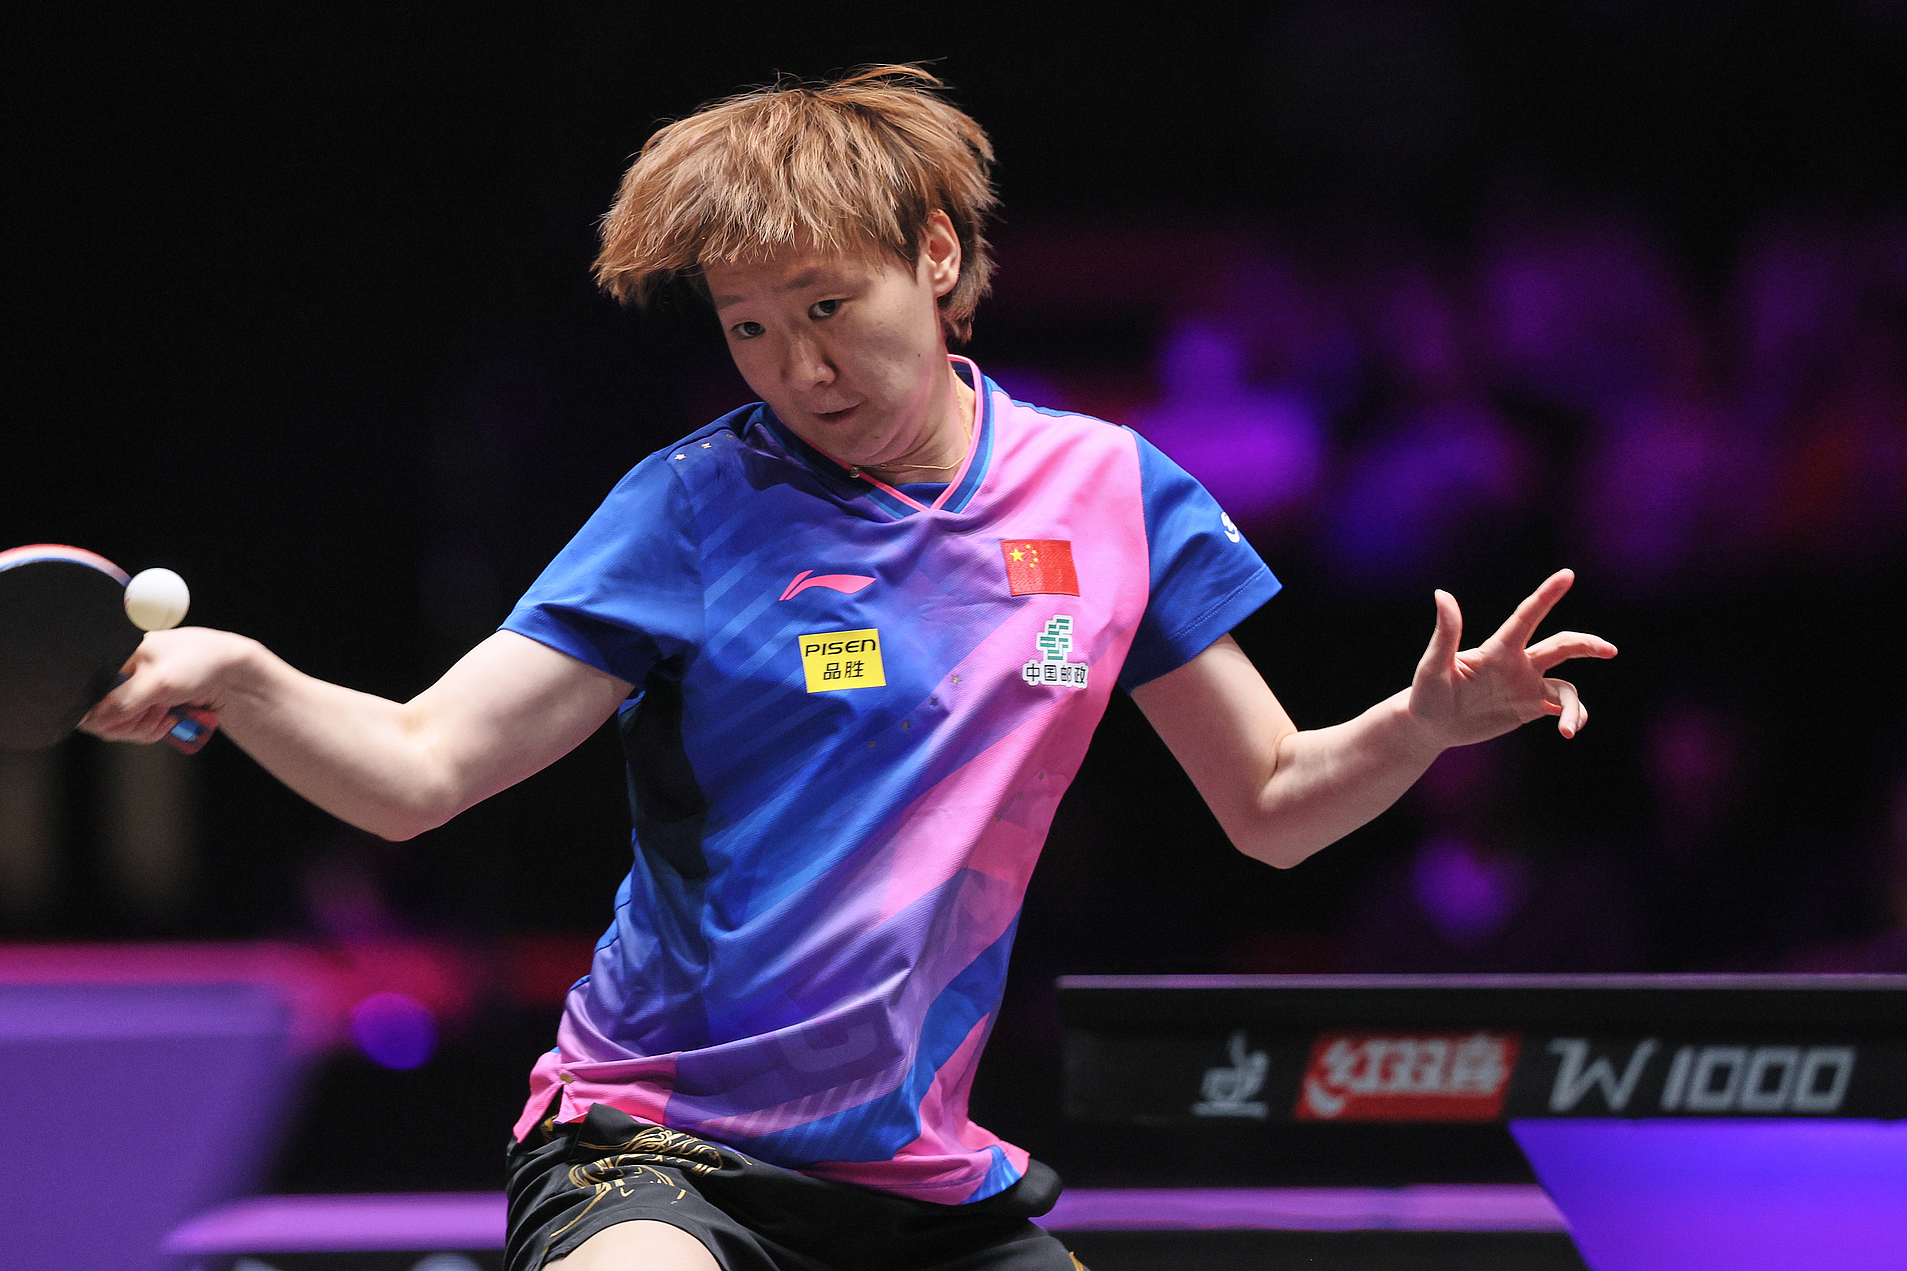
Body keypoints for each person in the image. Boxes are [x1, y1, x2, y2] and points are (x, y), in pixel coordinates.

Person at [84, 65, 1616, 1271]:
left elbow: (1275, 802)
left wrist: (1421, 723)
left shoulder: (1112, 495)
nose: (797, 367)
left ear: (938, 258)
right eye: (751, 327)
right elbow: (424, 774)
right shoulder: (690, 509)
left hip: (916, 1176)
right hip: (658, 1144)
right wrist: (244, 674)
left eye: (830, 307)